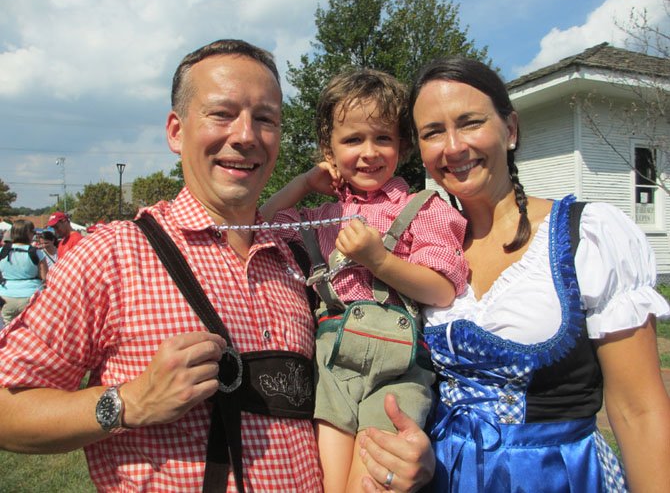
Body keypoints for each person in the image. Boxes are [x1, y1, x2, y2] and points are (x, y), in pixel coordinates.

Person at [0, 39, 434, 492]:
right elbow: (7, 408)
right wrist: (127, 403)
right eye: (222, 114)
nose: (246, 135)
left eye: (264, 118)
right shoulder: (113, 255)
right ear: (175, 131)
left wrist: (401, 461)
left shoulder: (299, 259)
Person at [408, 56, 670, 492]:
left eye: (470, 122)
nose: (452, 147)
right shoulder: (421, 254)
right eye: (432, 132)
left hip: (557, 478)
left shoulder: (586, 235)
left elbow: (639, 410)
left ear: (509, 130)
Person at [261, 68, 467, 492]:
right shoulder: (321, 217)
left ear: (403, 145)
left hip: (399, 365)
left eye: (383, 138)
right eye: (353, 140)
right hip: (333, 360)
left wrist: (379, 260)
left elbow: (443, 288)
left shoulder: (421, 208)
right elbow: (258, 226)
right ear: (329, 150)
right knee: (330, 484)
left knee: (371, 482)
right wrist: (303, 185)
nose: (369, 152)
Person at [0, 220, 47, 327]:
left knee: (8, 331)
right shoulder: (36, 252)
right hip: (30, 296)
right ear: (28, 233)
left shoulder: (2, 251)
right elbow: (44, 277)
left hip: (6, 296)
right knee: (30, 330)